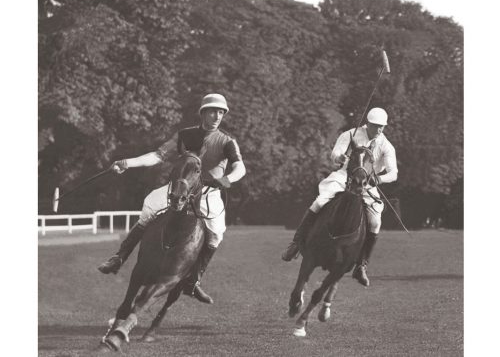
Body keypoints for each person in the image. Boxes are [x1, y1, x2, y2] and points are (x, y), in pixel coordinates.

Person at [97, 93, 246, 304]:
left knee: (216, 234)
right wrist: (127, 163)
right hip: (179, 189)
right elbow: (158, 156)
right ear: (203, 112)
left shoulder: (227, 141)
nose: (217, 115)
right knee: (150, 204)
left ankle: (193, 281)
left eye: (221, 112)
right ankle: (119, 257)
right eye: (213, 111)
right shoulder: (184, 135)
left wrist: (227, 180)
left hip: (208, 193)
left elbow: (240, 167)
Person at [281, 107, 398, 287]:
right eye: (375, 126)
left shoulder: (386, 146)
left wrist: (378, 179)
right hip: (345, 176)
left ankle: (361, 265)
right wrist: (341, 158)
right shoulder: (350, 135)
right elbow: (335, 154)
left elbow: (394, 173)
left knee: (375, 222)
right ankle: (296, 243)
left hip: (368, 183)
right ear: (368, 124)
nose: (379, 130)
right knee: (319, 202)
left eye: (382, 126)